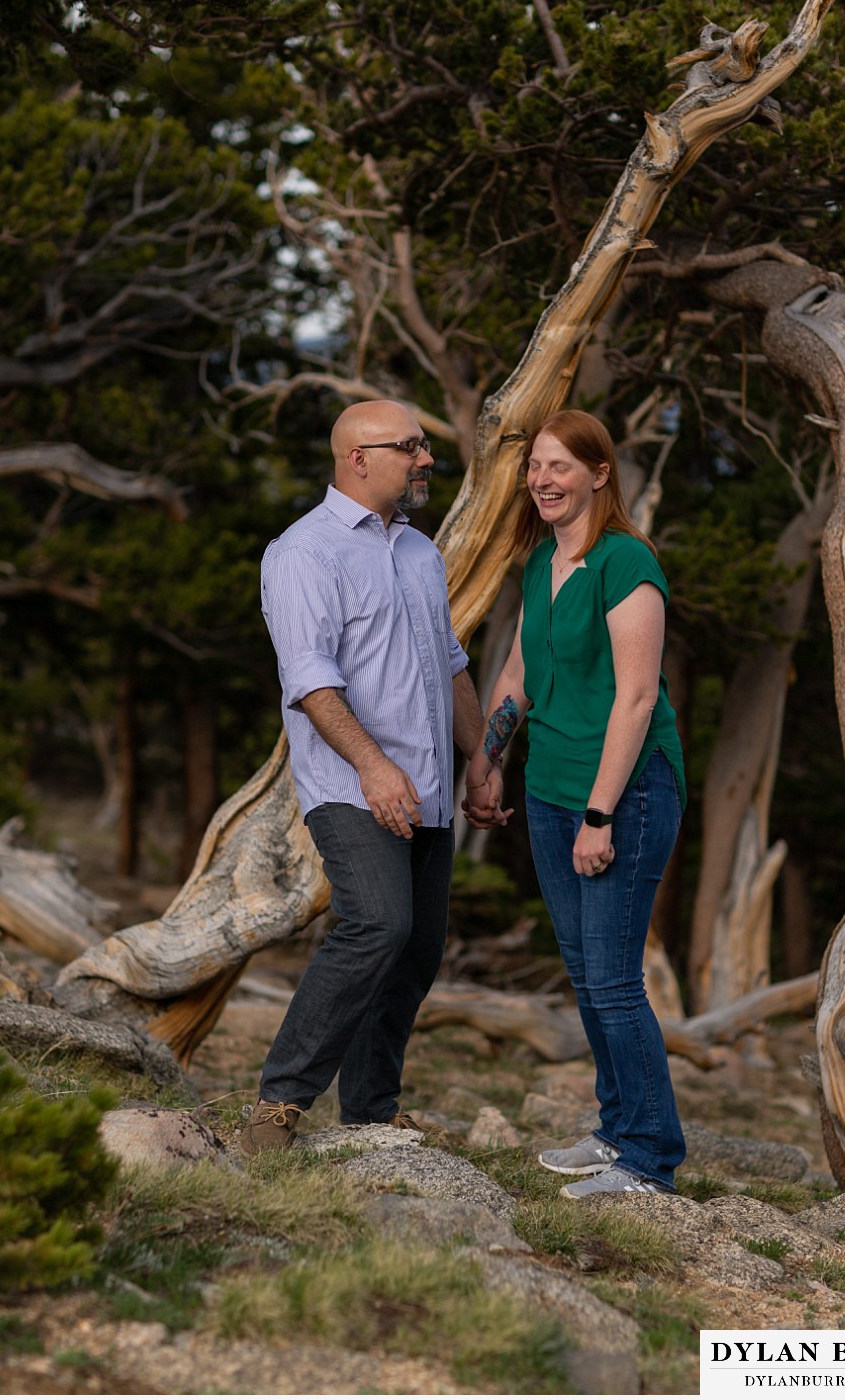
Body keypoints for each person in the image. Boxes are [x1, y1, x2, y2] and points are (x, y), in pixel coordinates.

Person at [241, 399, 486, 1155]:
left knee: (415, 950)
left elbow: (450, 663)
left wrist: (481, 760)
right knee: (378, 921)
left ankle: (371, 1112)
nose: (425, 459)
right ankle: (277, 1109)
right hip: (353, 786)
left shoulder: (418, 551)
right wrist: (374, 765)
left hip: (432, 788)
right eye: (409, 446)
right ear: (357, 458)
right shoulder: (302, 553)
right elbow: (311, 681)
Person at [464, 409, 687, 1196]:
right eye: (534, 468)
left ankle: (650, 1159)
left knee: (617, 978)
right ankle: (617, 1128)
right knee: (587, 975)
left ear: (599, 473)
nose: (542, 480)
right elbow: (520, 676)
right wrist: (486, 765)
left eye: (559, 466)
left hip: (622, 794)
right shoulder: (541, 562)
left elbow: (634, 699)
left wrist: (599, 816)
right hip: (551, 788)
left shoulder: (626, 563)